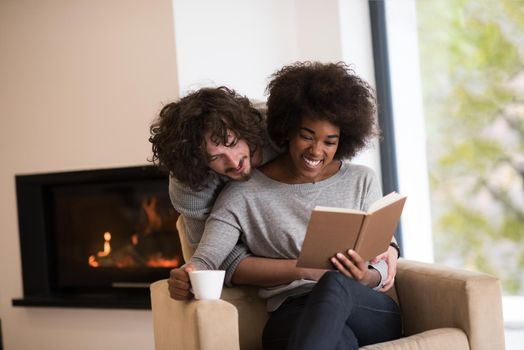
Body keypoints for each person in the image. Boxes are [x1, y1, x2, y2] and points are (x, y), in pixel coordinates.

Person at [186, 62, 402, 349]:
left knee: (334, 284)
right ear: (288, 130)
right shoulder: (242, 194)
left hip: (364, 306)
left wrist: (366, 276)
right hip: (292, 312)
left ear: (344, 141)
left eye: (330, 142)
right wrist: (190, 271)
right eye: (307, 136)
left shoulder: (362, 180)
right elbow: (207, 258)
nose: (316, 151)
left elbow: (384, 260)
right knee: (337, 340)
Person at [149, 87, 331, 296]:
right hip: (249, 245)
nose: (234, 162)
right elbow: (217, 257)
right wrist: (303, 269)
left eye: (232, 143)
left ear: (244, 129)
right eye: (215, 157)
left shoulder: (276, 124)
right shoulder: (189, 187)